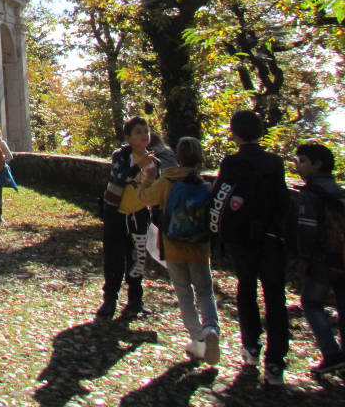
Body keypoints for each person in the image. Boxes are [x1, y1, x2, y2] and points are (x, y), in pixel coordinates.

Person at [210, 109, 289, 386]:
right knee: (275, 298)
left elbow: (219, 198)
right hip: (270, 237)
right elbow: (283, 202)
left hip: (242, 238)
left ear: (234, 133)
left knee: (246, 290)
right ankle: (276, 363)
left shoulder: (231, 162)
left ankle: (251, 346)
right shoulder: (274, 162)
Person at [138, 137, 221, 365]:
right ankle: (211, 328)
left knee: (184, 293)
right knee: (205, 291)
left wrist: (148, 177)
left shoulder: (167, 182)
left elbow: (143, 198)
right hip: (199, 248)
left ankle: (198, 340)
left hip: (173, 246)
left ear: (177, 157)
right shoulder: (204, 185)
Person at [294, 142, 345, 376]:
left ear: (317, 165)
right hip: (341, 256)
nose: (298, 166)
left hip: (321, 259)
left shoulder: (310, 194)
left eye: (302, 161)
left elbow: (307, 229)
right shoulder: (340, 191)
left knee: (312, 303)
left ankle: (332, 353)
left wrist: (303, 258)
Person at [97, 116, 153, 319]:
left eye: (146, 131)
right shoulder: (120, 155)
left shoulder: (153, 160)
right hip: (116, 214)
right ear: (128, 138)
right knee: (114, 258)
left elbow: (156, 187)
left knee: (138, 257)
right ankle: (110, 299)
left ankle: (135, 300)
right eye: (138, 132)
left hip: (139, 215)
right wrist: (139, 166)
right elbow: (122, 177)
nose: (143, 135)